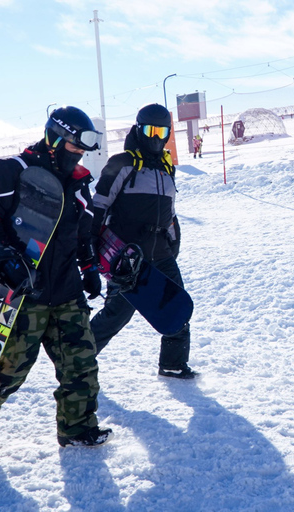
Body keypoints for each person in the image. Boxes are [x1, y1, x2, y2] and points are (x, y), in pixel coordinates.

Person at [0, 105, 111, 447]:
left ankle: (77, 428)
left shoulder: (78, 184)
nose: (79, 156)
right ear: (55, 137)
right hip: (23, 292)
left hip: (66, 290)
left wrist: (89, 269)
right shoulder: (13, 171)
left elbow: (82, 235)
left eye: (83, 150)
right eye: (75, 147)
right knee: (12, 369)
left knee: (82, 364)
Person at [90, 103, 196, 379]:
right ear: (138, 129)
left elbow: (169, 211)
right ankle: (78, 361)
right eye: (149, 130)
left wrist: (173, 240)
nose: (155, 137)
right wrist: (89, 249)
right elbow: (98, 208)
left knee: (177, 307)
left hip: (161, 253)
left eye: (162, 131)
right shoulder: (122, 163)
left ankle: (173, 364)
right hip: (128, 258)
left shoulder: (166, 167)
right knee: (116, 315)